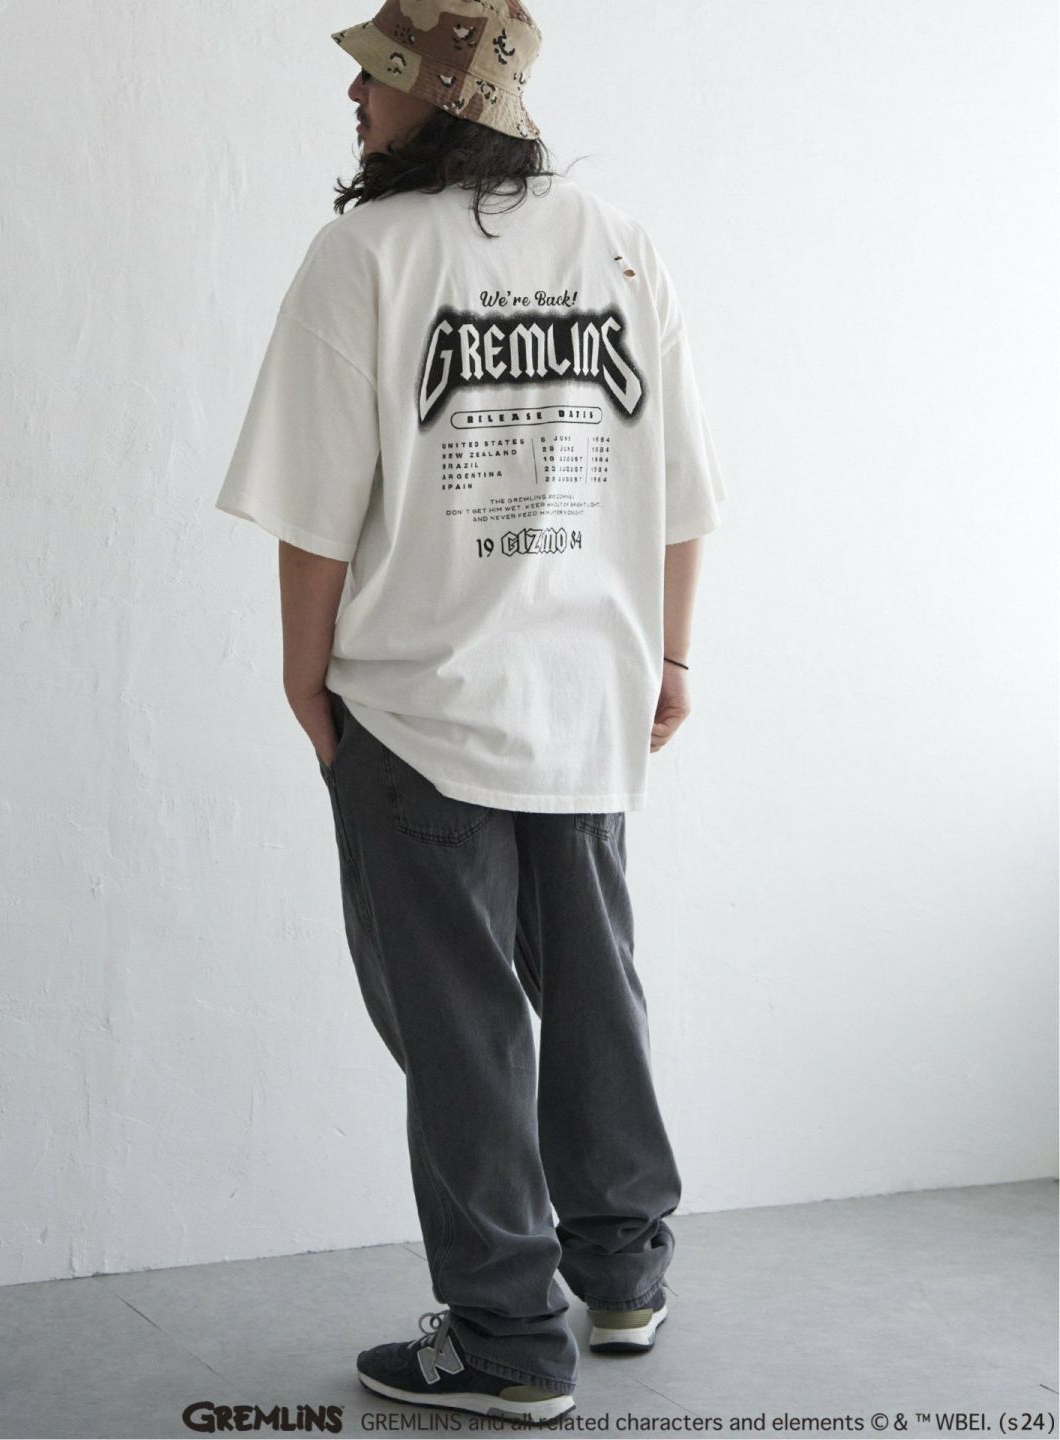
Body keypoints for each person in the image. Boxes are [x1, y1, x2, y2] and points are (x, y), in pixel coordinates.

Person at [215, 0, 727, 1423]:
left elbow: (315, 514)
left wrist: (304, 680)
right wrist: (673, 658)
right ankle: (621, 1271)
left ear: (439, 97)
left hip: (420, 706)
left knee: (461, 1029)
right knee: (597, 992)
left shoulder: (366, 256)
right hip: (587, 696)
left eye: (378, 77)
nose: (356, 100)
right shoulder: (617, 243)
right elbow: (682, 486)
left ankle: (506, 1337)